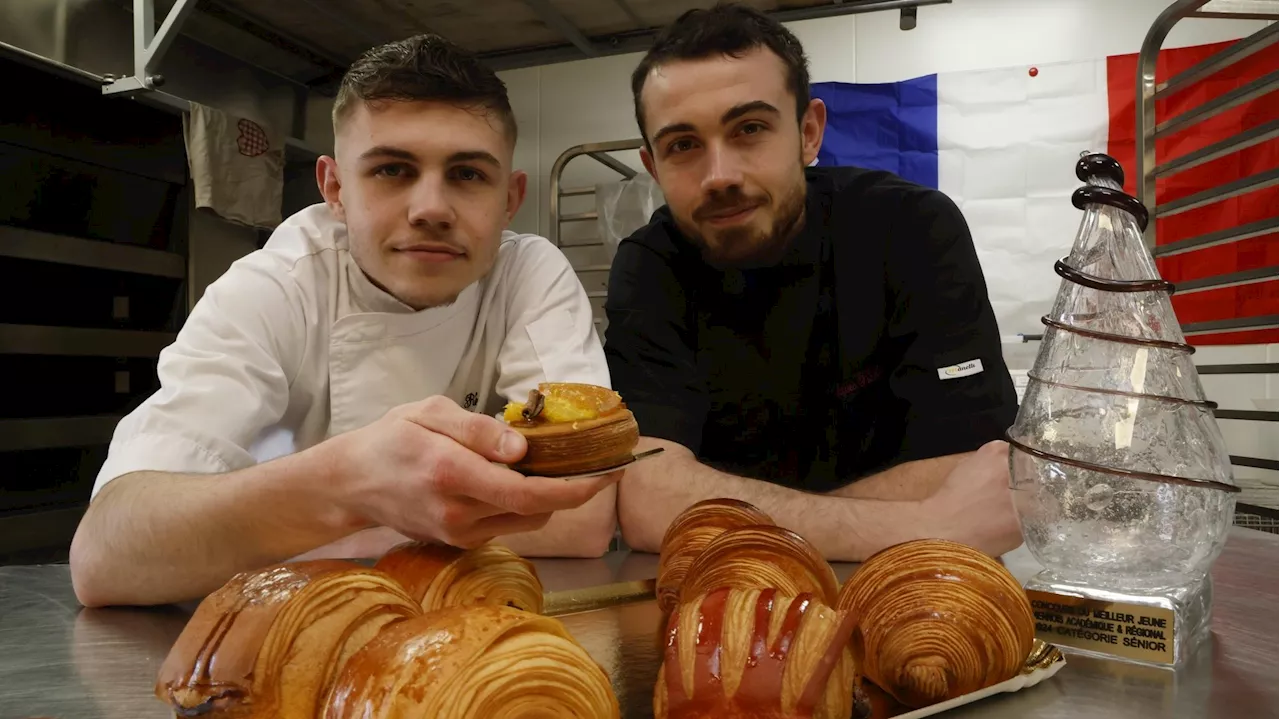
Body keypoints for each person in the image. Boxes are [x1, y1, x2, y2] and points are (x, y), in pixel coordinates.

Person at [70, 34, 620, 608]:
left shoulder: (529, 276)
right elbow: (106, 555)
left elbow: (583, 517)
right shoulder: (275, 287)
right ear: (334, 188)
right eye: (391, 170)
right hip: (289, 629)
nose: (430, 208)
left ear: (510, 199)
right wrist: (347, 484)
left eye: (467, 175)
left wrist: (304, 530)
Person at [604, 2, 1023, 561]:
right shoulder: (649, 267)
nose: (720, 176)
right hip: (744, 590)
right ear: (653, 167)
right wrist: (920, 523)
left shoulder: (910, 227)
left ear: (808, 132)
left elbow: (976, 466)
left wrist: (720, 504)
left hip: (910, 582)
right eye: (683, 145)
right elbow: (647, 500)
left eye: (749, 129)